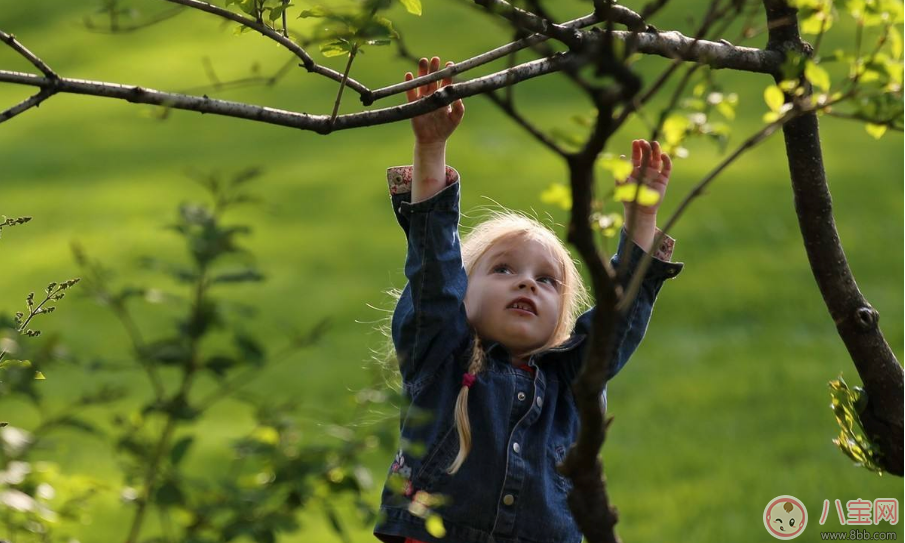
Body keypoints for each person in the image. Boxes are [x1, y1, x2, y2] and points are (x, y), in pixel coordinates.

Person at [373, 56, 685, 543]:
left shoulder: (571, 380)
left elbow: (616, 321)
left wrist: (641, 218)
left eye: (547, 281)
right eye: (503, 269)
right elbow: (433, 268)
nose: (527, 284)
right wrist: (430, 148)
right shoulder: (443, 357)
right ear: (464, 291)